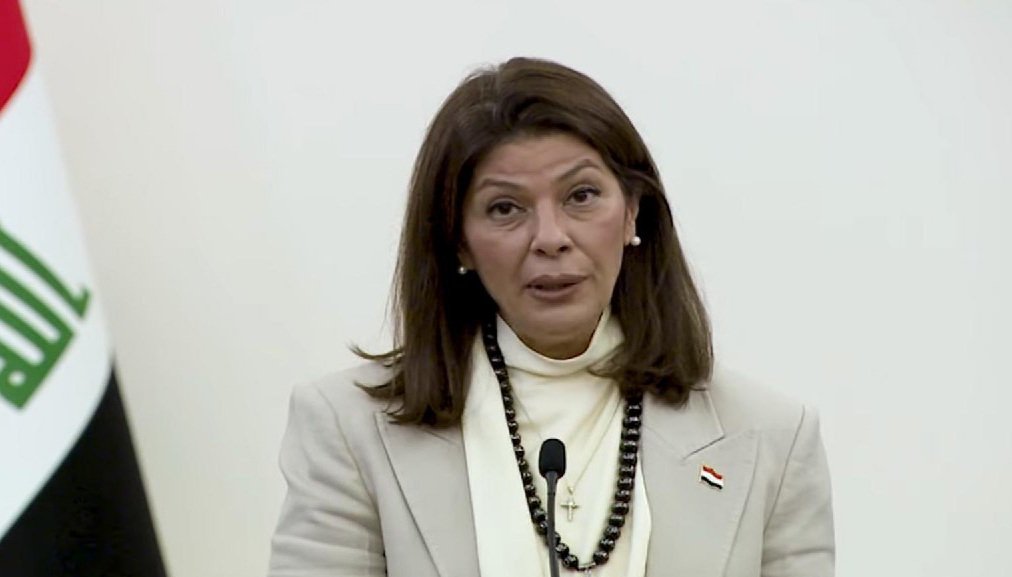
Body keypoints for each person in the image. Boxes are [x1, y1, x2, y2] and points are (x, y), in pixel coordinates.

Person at [267, 57, 834, 577]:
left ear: (632, 212)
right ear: (459, 242)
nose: (550, 238)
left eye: (581, 196)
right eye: (505, 208)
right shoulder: (347, 428)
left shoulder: (772, 436)